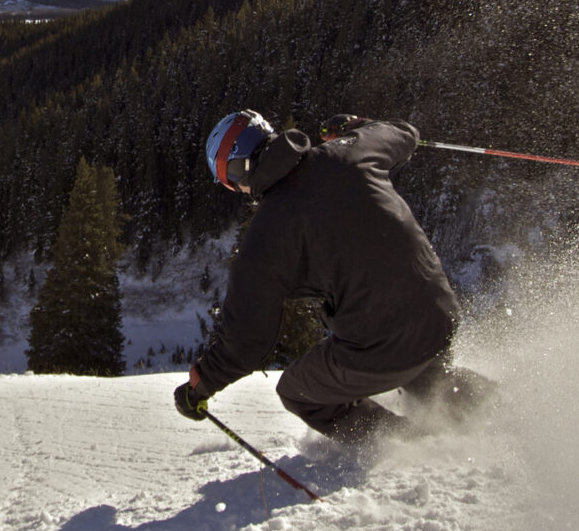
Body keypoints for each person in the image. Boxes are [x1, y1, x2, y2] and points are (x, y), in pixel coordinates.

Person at [174, 110, 494, 445]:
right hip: (439, 315)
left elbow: (246, 341)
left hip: (381, 346)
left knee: (297, 391)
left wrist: (200, 385)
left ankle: (406, 446)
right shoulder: (351, 151)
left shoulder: (267, 234)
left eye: (227, 178)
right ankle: (505, 413)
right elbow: (403, 133)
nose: (235, 189)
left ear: (241, 168)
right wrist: (357, 129)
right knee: (427, 379)